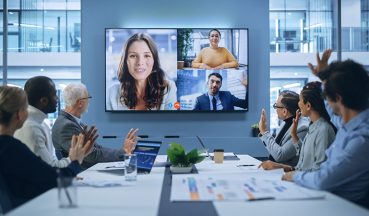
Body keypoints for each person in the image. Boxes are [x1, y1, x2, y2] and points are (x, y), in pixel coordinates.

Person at [282, 60, 369, 208]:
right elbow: (329, 107)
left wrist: (294, 176)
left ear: (338, 99)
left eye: (327, 96)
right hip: (326, 200)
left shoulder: (361, 139)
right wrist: (324, 77)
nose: (325, 101)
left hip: (341, 207)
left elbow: (322, 180)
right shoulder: (346, 122)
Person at [0, 86, 92, 212]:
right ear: (18, 114)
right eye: (25, 107)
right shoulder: (12, 148)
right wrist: (75, 160)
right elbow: (55, 179)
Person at [53, 83, 138, 169]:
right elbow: (92, 155)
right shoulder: (66, 126)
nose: (89, 101)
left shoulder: (74, 122)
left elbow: (97, 149)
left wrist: (123, 151)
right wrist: (123, 152)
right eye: (88, 98)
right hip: (84, 174)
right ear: (80, 103)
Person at [260, 82, 336, 172]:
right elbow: (304, 162)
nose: (298, 105)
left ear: (308, 106)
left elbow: (318, 171)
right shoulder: (312, 127)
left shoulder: (321, 130)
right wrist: (283, 167)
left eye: (300, 100)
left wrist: (264, 131)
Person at [14, 76, 84, 168]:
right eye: (55, 95)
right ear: (44, 101)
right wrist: (73, 158)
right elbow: (49, 168)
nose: (58, 99)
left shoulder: (40, 124)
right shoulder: (31, 128)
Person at [106, 33, 177, 110]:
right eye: (133, 56)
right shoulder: (111, 93)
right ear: (126, 61)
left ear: (154, 60)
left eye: (146, 56)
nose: (140, 62)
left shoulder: (168, 89)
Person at [258, 90, 309, 166]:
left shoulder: (302, 128)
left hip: (288, 173)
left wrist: (264, 132)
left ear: (284, 111)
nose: (275, 110)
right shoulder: (285, 123)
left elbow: (280, 155)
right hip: (274, 170)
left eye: (276, 106)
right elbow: (274, 149)